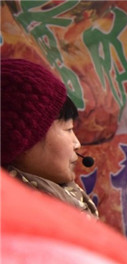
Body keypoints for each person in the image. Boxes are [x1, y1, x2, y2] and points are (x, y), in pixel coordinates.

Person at [0, 58, 98, 218]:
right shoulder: (23, 217)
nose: (77, 143)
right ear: (24, 143)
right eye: (68, 129)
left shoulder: (66, 197)